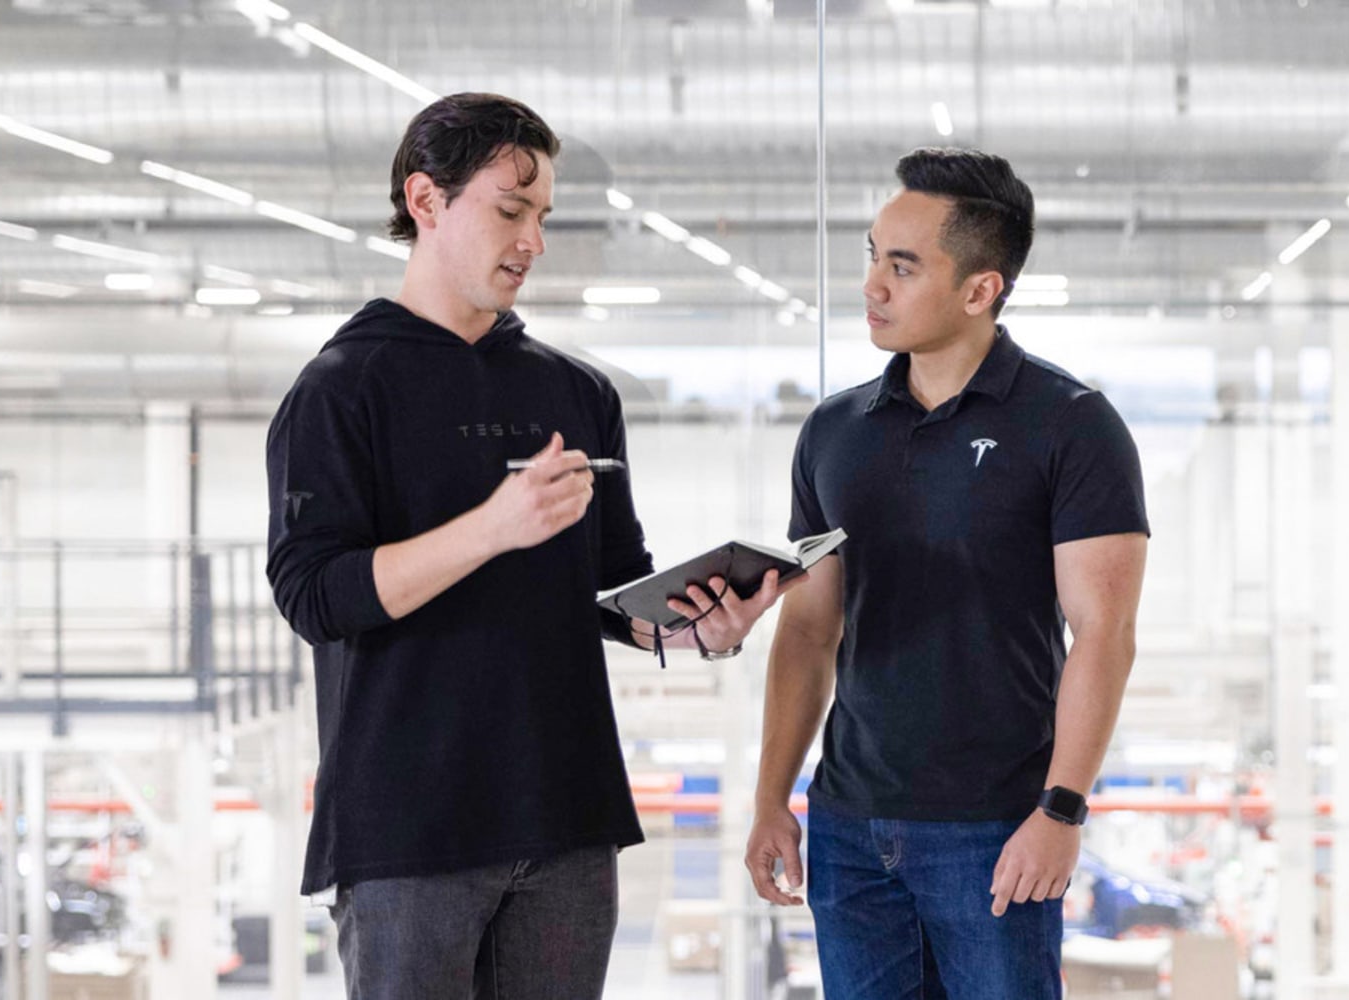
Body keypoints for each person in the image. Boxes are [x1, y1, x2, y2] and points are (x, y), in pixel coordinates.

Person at [266, 92, 792, 999]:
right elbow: (316, 596)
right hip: (410, 832)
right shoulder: (341, 389)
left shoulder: (576, 392)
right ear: (425, 201)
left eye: (541, 216)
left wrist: (699, 628)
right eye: (510, 212)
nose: (532, 242)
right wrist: (491, 530)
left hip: (566, 818)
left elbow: (612, 590)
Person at [742, 147, 1151, 999]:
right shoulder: (833, 431)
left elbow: (1103, 635)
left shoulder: (1071, 425)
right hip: (850, 829)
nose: (871, 286)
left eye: (902, 266)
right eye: (870, 257)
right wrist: (770, 797)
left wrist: (1061, 811)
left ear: (979, 289)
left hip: (995, 830)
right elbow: (810, 628)